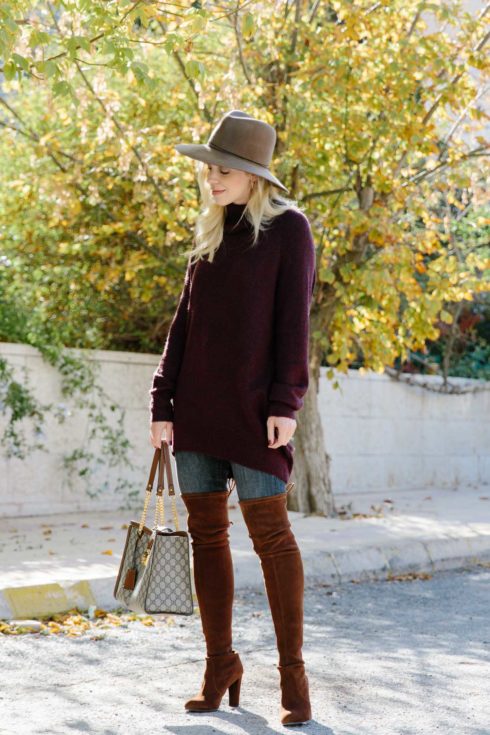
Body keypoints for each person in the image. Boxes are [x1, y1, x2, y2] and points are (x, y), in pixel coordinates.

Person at [148, 110, 316, 726]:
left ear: (252, 176)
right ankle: (220, 663)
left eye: (223, 171)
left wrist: (285, 403)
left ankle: (293, 678)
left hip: (254, 414)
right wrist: (162, 404)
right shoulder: (211, 235)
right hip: (196, 411)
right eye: (208, 169)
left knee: (272, 539)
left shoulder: (290, 230)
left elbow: (294, 325)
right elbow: (183, 328)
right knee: (208, 537)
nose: (210, 179)